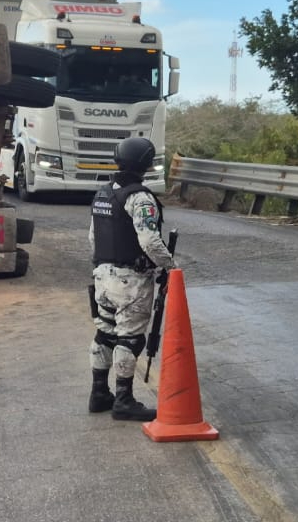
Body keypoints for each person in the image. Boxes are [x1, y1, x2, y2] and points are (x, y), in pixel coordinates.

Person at [87, 136, 175, 421]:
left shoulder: (102, 194)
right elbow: (150, 240)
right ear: (147, 164)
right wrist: (170, 266)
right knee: (130, 338)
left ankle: (99, 393)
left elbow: (93, 237)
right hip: (130, 280)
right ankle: (123, 400)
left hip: (102, 276)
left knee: (105, 332)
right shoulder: (140, 198)